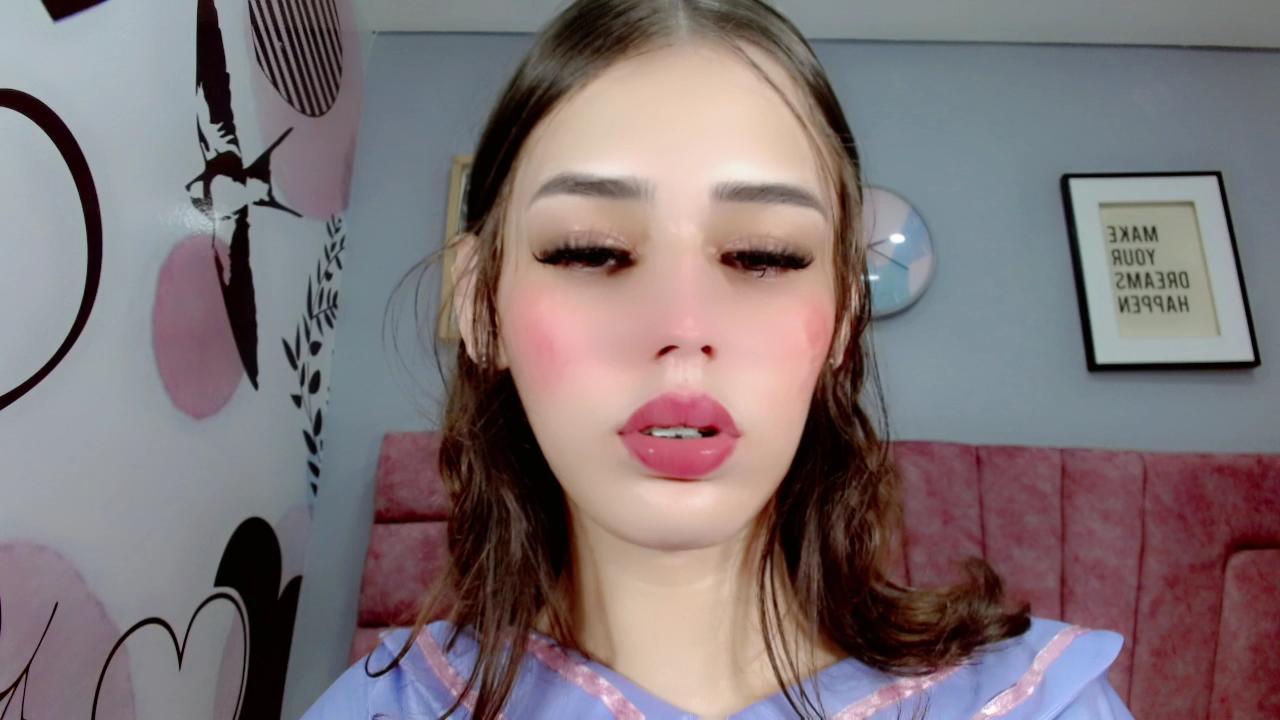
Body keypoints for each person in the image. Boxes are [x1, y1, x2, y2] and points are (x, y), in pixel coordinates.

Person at [303, 0, 1133, 717]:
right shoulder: (385, 709)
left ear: (844, 319)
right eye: (590, 250)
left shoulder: (1040, 704)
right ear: (481, 304)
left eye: (765, 256)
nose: (683, 325)